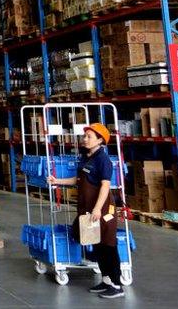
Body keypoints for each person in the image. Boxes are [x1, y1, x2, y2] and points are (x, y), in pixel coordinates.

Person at [48, 123, 124, 299]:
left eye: (89, 136)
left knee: (108, 246)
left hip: (102, 210)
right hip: (87, 210)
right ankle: (106, 281)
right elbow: (78, 179)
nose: (85, 139)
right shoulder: (85, 157)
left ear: (100, 140)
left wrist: (97, 208)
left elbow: (105, 185)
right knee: (97, 246)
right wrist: (57, 181)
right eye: (85, 136)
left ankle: (117, 285)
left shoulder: (102, 159)